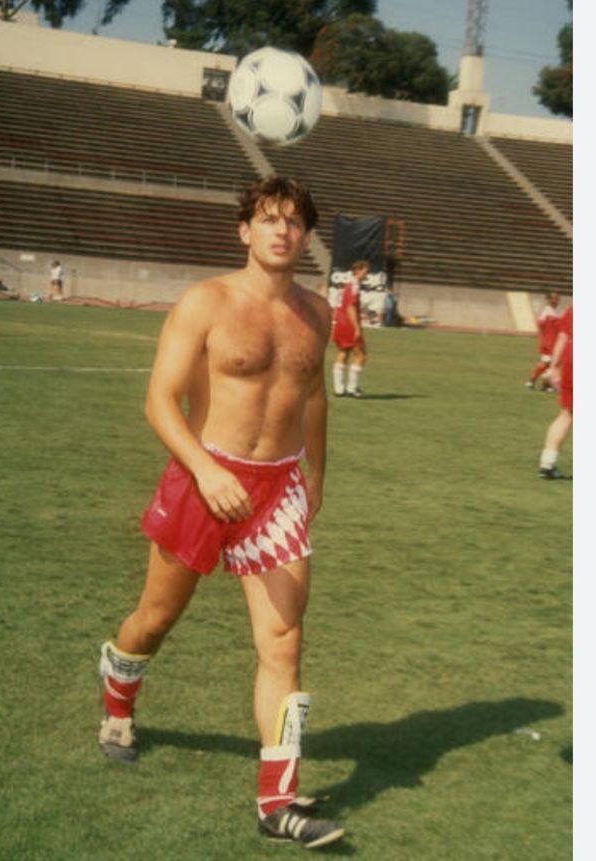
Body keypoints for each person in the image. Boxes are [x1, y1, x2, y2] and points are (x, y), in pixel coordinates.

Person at [97, 176, 345, 849]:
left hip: (278, 492)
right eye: (268, 219)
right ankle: (118, 697)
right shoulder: (205, 301)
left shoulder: (317, 312)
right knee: (155, 619)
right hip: (204, 480)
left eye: (294, 221)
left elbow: (314, 393)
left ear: (305, 235)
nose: (281, 231)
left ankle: (278, 802)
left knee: (284, 643)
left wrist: (316, 474)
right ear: (245, 230)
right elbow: (159, 400)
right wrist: (205, 470)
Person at [538, 302, 573, 479]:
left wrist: (553, 366)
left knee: (566, 414)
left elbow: (563, 336)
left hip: (571, 360)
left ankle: (547, 463)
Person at [331, 260, 370, 397]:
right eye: (365, 271)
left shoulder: (347, 284)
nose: (367, 275)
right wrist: (356, 327)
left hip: (340, 322)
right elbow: (350, 307)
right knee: (361, 355)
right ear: (358, 271)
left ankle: (339, 389)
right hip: (349, 324)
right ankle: (352, 388)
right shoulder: (354, 285)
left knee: (344, 352)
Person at [527, 292, 560, 390]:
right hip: (548, 343)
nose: (556, 301)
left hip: (554, 343)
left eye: (557, 299)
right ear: (549, 300)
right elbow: (540, 326)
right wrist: (544, 340)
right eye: (554, 299)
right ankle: (531, 381)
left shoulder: (555, 312)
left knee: (552, 364)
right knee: (545, 364)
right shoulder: (546, 312)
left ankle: (546, 385)